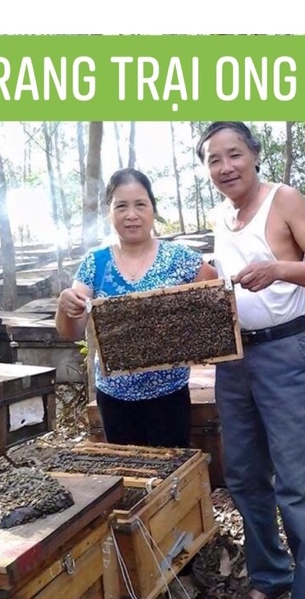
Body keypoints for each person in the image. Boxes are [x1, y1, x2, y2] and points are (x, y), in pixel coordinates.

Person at [196, 121, 305, 599]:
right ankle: (270, 572)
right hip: (233, 357)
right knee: (244, 474)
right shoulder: (221, 216)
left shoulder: (285, 200)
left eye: (234, 154)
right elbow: (230, 283)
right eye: (214, 160)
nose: (225, 167)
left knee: (298, 482)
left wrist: (278, 268)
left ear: (254, 155)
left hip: (285, 353)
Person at [56, 167, 217, 448]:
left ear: (153, 209)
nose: (131, 215)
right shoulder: (95, 262)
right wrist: (64, 306)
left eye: (140, 204)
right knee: (128, 470)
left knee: (171, 471)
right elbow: (72, 330)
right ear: (109, 212)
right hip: (114, 399)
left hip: (169, 395)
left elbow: (214, 298)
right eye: (121, 206)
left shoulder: (179, 258)